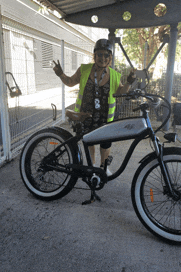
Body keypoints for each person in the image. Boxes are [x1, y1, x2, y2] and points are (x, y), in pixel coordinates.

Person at [53, 38, 136, 175]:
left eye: (106, 55)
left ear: (110, 58)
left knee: (105, 144)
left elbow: (121, 92)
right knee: (89, 143)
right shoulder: (84, 69)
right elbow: (70, 82)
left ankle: (103, 168)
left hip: (104, 118)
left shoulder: (114, 75)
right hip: (86, 116)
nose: (102, 58)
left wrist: (129, 82)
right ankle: (91, 167)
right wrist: (60, 74)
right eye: (99, 54)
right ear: (94, 55)